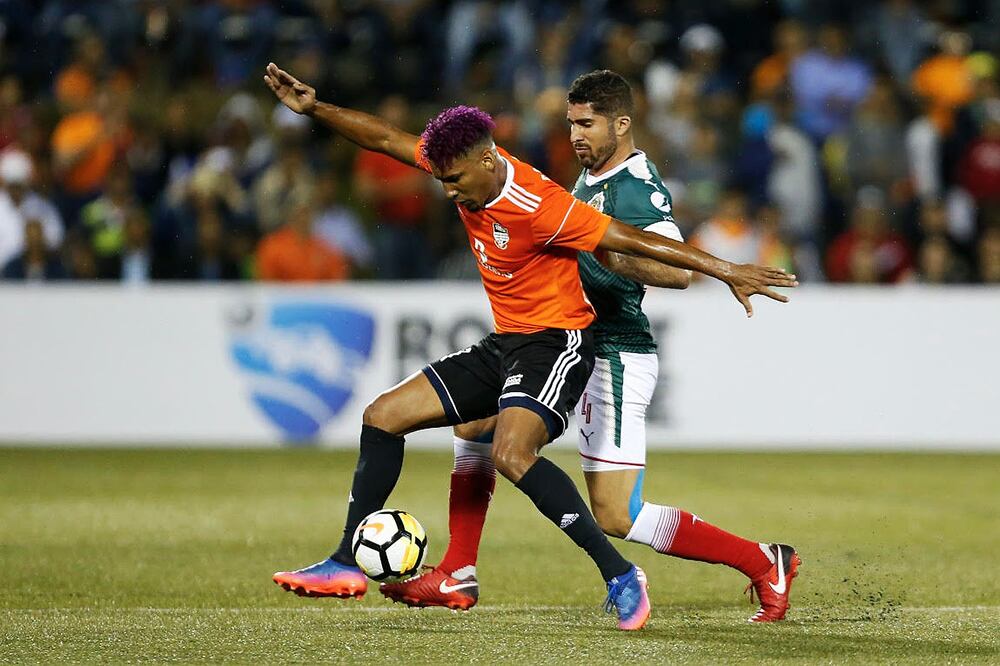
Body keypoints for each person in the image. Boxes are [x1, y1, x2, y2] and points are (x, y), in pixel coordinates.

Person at [263, 63, 796, 631]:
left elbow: (664, 265)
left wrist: (717, 268)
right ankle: (455, 571)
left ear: (621, 123)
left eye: (587, 123)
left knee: (616, 513)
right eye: (570, 123)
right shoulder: (586, 176)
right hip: (536, 338)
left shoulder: (631, 186)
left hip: (611, 348)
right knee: (472, 428)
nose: (575, 135)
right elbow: (388, 139)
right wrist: (316, 109)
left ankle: (761, 561)